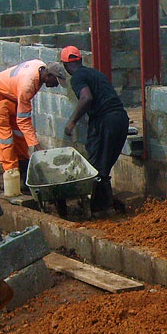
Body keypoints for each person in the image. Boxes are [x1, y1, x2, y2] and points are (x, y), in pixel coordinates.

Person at [0, 60, 68, 198]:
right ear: (48, 76)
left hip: (11, 95)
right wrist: (36, 146)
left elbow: (22, 122)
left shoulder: (41, 67)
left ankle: (23, 170)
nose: (56, 85)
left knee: (19, 134)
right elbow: (24, 121)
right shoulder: (28, 85)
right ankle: (12, 177)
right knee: (5, 138)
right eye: (56, 81)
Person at [60, 46, 129, 214]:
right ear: (80, 60)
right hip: (121, 119)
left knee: (96, 165)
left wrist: (72, 122)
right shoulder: (94, 73)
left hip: (106, 121)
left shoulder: (77, 77)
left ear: (65, 65)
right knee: (103, 165)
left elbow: (86, 97)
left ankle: (101, 208)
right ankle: (104, 205)